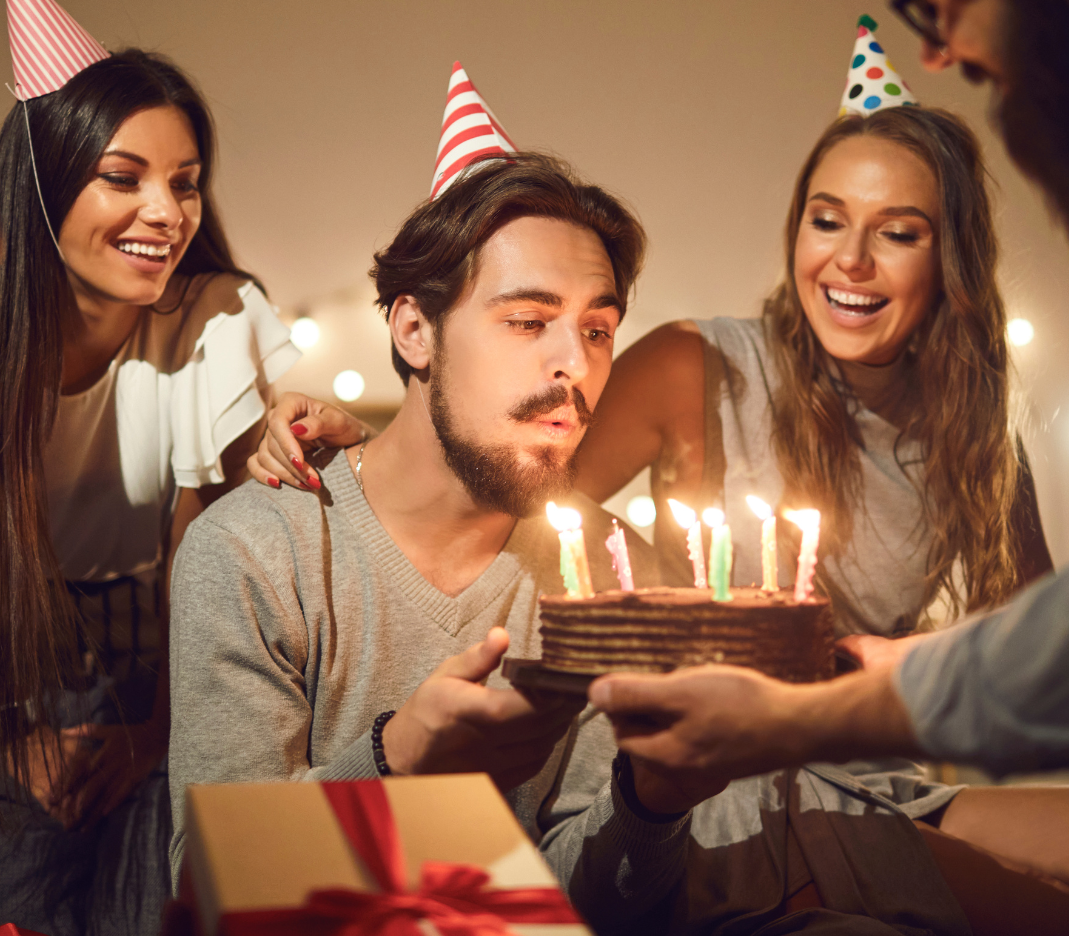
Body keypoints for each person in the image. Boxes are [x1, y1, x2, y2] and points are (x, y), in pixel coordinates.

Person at [586, 0, 1069, 860]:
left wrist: (901, 665)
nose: (849, 260)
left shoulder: (975, 431)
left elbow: (1037, 648)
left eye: (899, 231)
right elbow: (525, 512)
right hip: (722, 774)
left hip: (870, 762)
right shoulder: (699, 367)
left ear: (953, 264)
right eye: (826, 220)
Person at [167, 151, 714, 933]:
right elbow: (208, 880)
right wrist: (397, 755)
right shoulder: (256, 549)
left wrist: (649, 805)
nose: (576, 364)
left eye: (597, 329)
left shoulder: (612, 571)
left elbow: (588, 905)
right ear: (415, 330)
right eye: (528, 320)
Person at [0, 0, 300, 936]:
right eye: (123, 178)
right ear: (43, 184)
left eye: (186, 183)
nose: (167, 215)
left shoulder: (207, 319)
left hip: (172, 671)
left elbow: (205, 563)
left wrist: (153, 736)